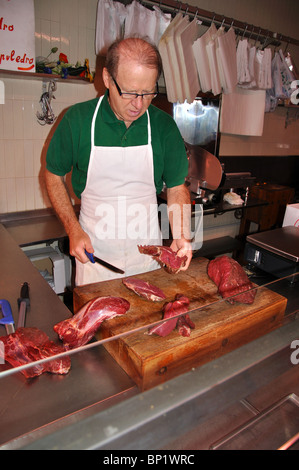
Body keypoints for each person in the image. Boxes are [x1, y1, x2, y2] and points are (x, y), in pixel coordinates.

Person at [45, 37, 192, 286]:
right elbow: (53, 175)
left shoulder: (164, 127)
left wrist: (181, 234)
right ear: (107, 79)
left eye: (148, 93)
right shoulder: (77, 120)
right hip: (95, 259)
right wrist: (73, 229)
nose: (138, 104)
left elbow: (177, 188)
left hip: (148, 260)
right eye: (130, 92)